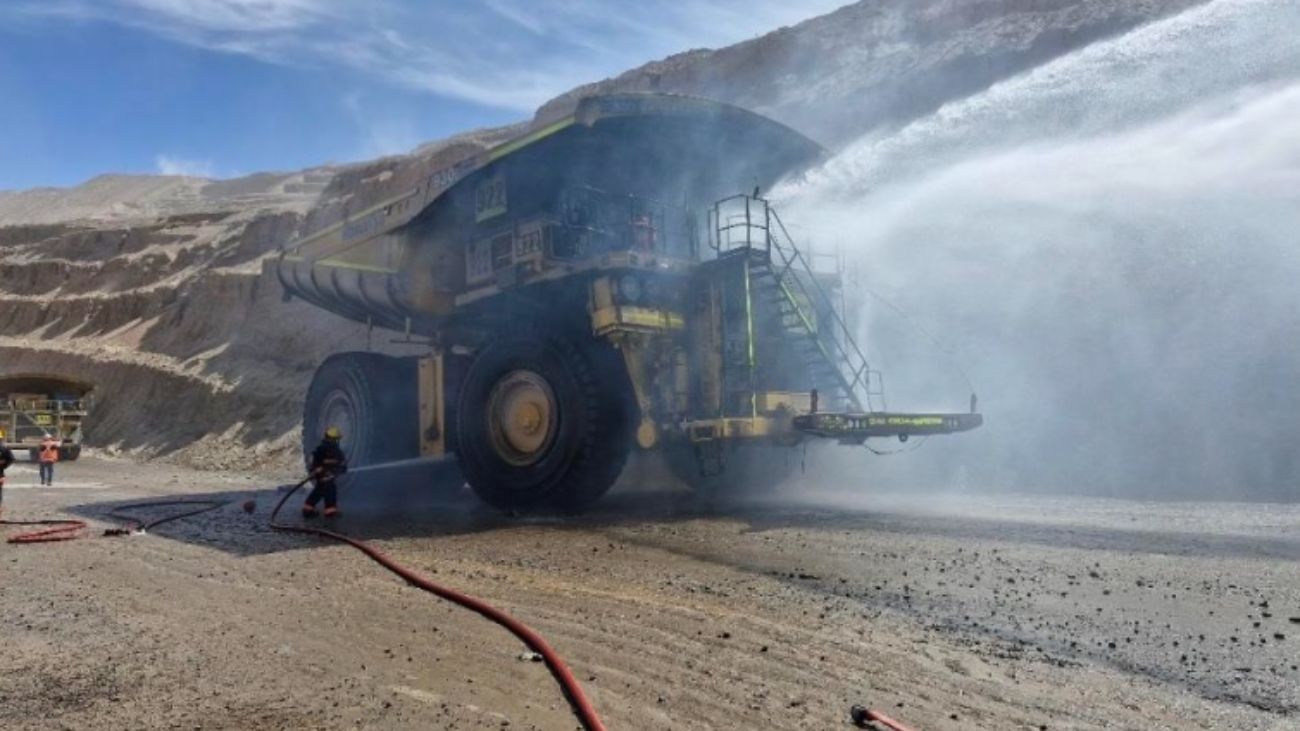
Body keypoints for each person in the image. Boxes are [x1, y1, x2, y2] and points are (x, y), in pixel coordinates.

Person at [303, 426, 347, 518]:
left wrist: (315, 470)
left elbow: (312, 460)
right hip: (328, 476)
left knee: (319, 490)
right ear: (335, 439)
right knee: (330, 490)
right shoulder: (336, 451)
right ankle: (330, 512)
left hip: (319, 476)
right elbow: (342, 464)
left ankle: (308, 509)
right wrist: (339, 470)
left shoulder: (320, 449)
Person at [0, 430, 14, 519]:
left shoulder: (3, 449)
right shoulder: (4, 448)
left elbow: (10, 459)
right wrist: (4, 465)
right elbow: (11, 459)